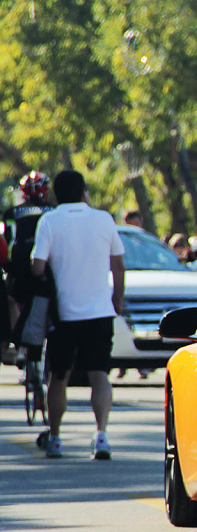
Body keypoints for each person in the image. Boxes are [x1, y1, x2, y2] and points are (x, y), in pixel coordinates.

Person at [30, 170, 126, 459]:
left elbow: (37, 267)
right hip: (99, 312)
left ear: (55, 195)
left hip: (63, 314)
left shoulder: (49, 221)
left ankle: (56, 437)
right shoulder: (104, 219)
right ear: (84, 191)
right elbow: (118, 266)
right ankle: (101, 436)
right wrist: (116, 302)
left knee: (59, 377)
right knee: (100, 374)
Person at [4, 171, 57, 357]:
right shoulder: (53, 211)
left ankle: (16, 344)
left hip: (17, 268)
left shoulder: (12, 212)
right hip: (44, 268)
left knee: (13, 301)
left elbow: (8, 241)